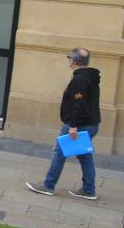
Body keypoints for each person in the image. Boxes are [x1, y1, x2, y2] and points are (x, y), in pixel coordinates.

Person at [27, 47, 102, 200]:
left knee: (59, 153)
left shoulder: (80, 79)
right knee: (85, 156)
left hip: (79, 124)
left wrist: (73, 126)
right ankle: (89, 190)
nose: (69, 61)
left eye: (70, 59)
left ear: (73, 61)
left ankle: (48, 185)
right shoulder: (90, 76)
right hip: (91, 124)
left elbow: (79, 104)